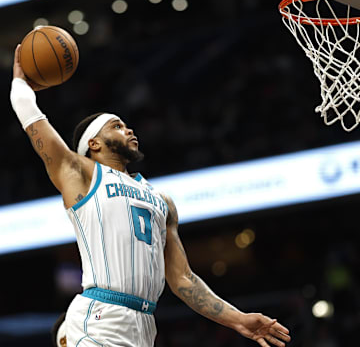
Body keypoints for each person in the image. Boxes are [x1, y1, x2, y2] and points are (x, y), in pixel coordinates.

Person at [10, 45, 291, 347]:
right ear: (94, 143)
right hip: (101, 316)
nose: (128, 130)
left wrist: (239, 319)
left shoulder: (162, 201)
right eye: (116, 126)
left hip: (144, 325)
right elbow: (34, 122)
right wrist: (20, 83)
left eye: (126, 125)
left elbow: (184, 280)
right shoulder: (81, 175)